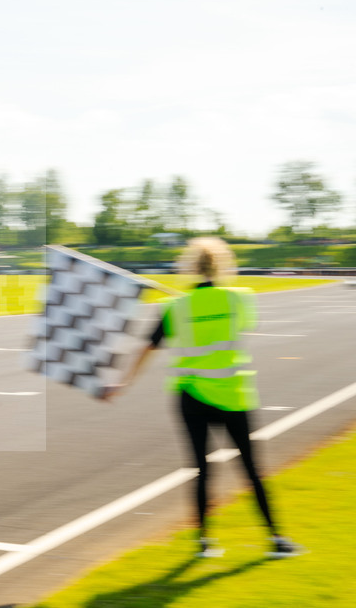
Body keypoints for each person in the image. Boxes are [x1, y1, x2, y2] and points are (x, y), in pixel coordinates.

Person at [104, 237, 302, 559]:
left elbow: (147, 348)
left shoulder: (174, 306)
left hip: (190, 395)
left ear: (189, 267)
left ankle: (204, 543)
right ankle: (277, 539)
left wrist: (122, 384)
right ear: (223, 265)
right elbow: (246, 325)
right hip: (231, 394)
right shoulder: (239, 299)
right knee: (251, 468)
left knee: (201, 469)